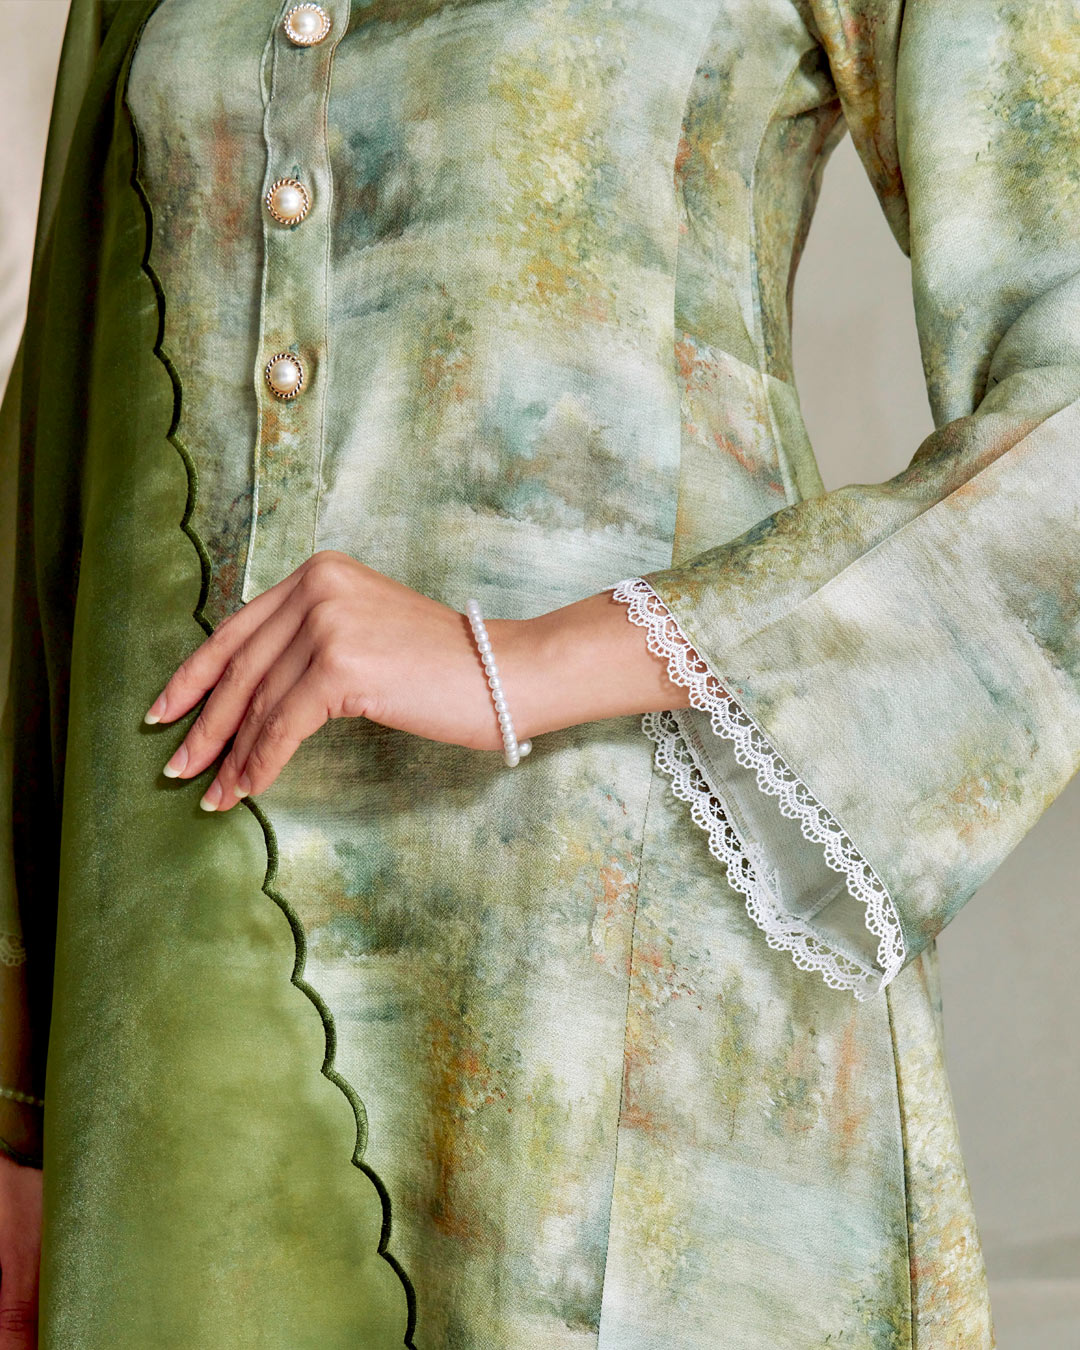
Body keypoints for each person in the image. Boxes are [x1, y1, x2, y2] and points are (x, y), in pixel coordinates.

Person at [1, 0, 1077, 1344]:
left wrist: (525, 659)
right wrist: (17, 1118)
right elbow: (55, 481)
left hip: (610, 975)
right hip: (168, 996)